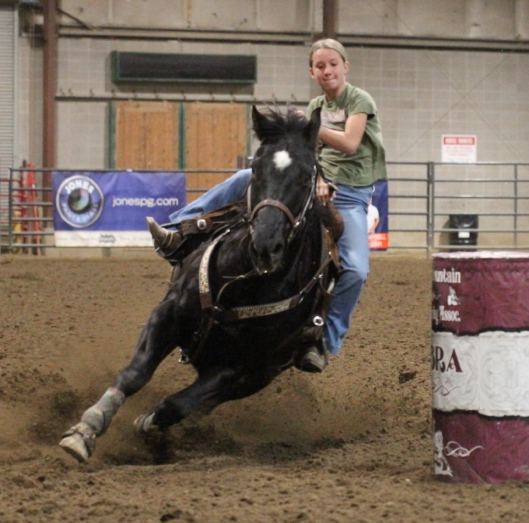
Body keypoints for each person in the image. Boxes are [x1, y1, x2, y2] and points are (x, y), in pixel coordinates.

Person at [148, 38, 387, 373]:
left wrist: (311, 127)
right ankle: (181, 231)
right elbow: (311, 156)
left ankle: (323, 339)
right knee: (244, 178)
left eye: (333, 64)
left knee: (356, 270)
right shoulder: (317, 104)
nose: (327, 70)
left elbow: (349, 143)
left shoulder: (359, 100)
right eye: (320, 66)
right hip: (313, 184)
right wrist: (316, 172)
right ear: (312, 72)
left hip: (349, 195)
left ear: (345, 66)